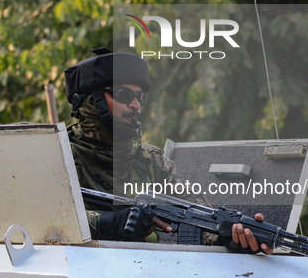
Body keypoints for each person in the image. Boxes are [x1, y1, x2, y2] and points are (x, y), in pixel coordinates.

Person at [65, 48, 272, 254]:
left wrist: (231, 236)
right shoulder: (58, 157)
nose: (136, 104)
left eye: (140, 96)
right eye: (124, 94)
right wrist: (108, 223)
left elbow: (200, 215)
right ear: (92, 101)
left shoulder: (152, 162)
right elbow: (40, 221)